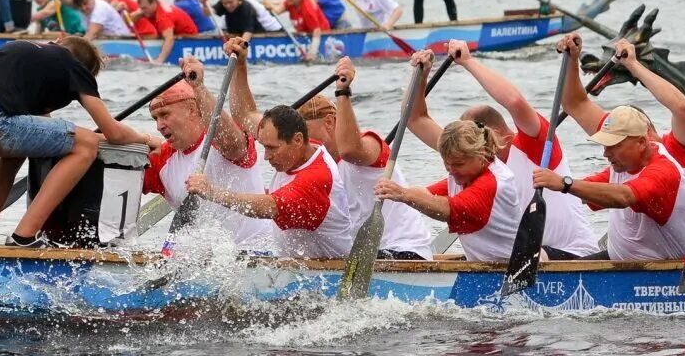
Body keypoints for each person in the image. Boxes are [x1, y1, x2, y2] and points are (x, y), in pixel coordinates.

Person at [559, 34, 685, 257]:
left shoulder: (684, 149)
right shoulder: (621, 143)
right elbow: (575, 104)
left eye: (618, 142)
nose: (609, 149)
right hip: (656, 252)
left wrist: (633, 65)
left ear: (642, 137)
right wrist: (572, 59)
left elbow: (681, 108)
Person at [405, 43, 597, 258]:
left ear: (495, 136)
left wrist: (468, 62)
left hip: (570, 255)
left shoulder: (534, 147)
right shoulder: (469, 157)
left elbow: (514, 102)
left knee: (531, 254)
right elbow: (415, 120)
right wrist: (419, 77)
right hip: (514, 258)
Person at [0, 37, 153, 246]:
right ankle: (24, 236)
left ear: (57, 42)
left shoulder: (24, 53)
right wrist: (146, 138)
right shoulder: (72, 65)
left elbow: (42, 133)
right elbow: (113, 132)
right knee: (86, 145)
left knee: (19, 152)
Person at [186, 38, 353, 259]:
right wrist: (240, 65)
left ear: (296, 140)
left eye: (272, 149)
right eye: (264, 146)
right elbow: (243, 113)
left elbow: (268, 207)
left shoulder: (317, 177)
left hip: (328, 274)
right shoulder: (295, 145)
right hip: (296, 265)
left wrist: (212, 192)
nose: (266, 156)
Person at [296, 58, 433, 259]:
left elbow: (350, 150)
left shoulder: (370, 145)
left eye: (306, 133)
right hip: (365, 256)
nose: (303, 142)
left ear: (329, 122)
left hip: (404, 250)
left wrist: (342, 92)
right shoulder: (320, 168)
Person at [143, 56, 276, 247]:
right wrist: (140, 140)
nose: (159, 126)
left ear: (191, 109)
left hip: (258, 252)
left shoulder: (221, 141)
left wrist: (198, 88)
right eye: (155, 118)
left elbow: (229, 141)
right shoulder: (162, 159)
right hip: (205, 262)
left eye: (165, 115)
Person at [535, 104, 685, 262]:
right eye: (605, 146)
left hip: (665, 270)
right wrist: (546, 185)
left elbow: (623, 197)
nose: (605, 153)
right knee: (541, 258)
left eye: (613, 146)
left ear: (640, 143)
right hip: (623, 262)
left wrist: (565, 184)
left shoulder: (663, 172)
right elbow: (586, 189)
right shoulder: (624, 164)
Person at [375, 117, 522, 262]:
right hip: (486, 265)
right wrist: (388, 193)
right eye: (447, 164)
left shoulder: (492, 183)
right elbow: (425, 195)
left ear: (481, 154)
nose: (451, 171)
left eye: (458, 164)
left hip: (512, 269)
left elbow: (448, 209)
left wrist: (403, 194)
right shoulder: (465, 175)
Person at [264, 0, 329, 59]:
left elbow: (317, 31)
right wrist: (268, 4)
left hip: (321, 35)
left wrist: (312, 53)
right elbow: (277, 11)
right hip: (305, 33)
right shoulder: (289, 2)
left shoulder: (307, 9)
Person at [131, 0, 199, 64]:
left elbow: (169, 39)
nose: (142, 11)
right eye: (141, 8)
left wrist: (160, 59)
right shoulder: (151, 7)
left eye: (144, 8)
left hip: (189, 37)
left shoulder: (163, 17)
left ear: (153, 3)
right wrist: (137, 15)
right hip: (175, 33)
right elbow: (130, 20)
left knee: (166, 36)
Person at [203, 0, 283, 34]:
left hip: (272, 31)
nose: (227, 4)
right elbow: (211, 13)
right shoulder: (229, 3)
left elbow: (248, 29)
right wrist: (204, 3)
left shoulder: (247, 3)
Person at [57, 0, 129, 39]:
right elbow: (67, 0)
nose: (83, 8)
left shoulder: (100, 10)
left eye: (85, 3)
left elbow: (91, 35)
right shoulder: (84, 6)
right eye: (80, 5)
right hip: (105, 38)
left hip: (120, 39)